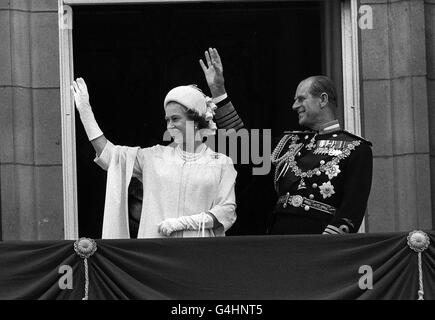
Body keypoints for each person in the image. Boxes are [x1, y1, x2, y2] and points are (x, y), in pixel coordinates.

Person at [199, 48, 373, 235]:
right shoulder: (288, 142)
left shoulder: (356, 148)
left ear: (322, 100)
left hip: (320, 244)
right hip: (279, 240)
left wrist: (329, 244)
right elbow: (241, 142)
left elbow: (351, 209)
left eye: (301, 99)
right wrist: (218, 91)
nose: (294, 106)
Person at [71, 78, 237, 239]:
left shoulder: (221, 163)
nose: (170, 125)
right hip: (156, 254)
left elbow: (227, 211)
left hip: (198, 253)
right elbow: (110, 156)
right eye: (167, 120)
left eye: (176, 119)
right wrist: (85, 112)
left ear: (195, 120)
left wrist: (185, 223)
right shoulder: (153, 157)